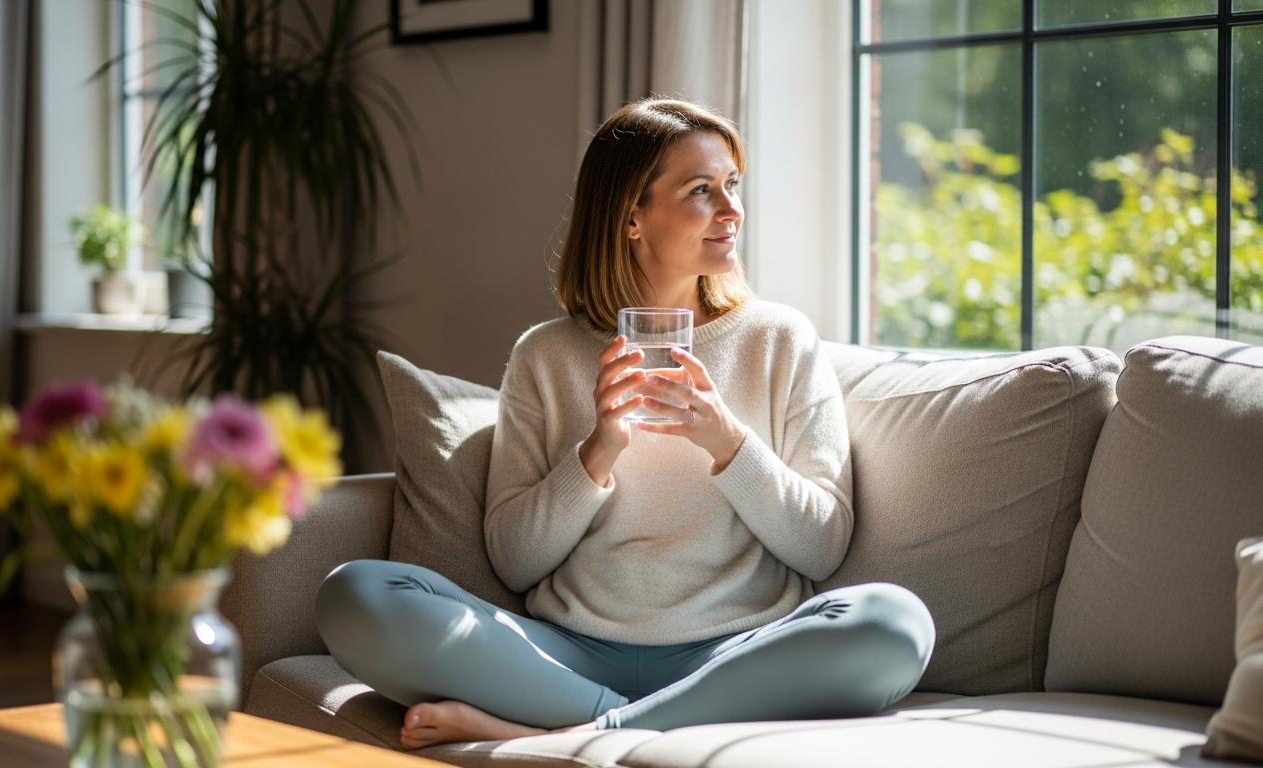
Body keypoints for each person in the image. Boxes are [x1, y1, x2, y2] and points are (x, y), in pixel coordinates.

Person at [316, 98, 935, 750]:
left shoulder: (779, 340)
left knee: (895, 622)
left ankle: (584, 730)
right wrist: (598, 449)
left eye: (732, 185)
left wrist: (726, 440)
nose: (732, 211)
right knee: (356, 593)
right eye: (703, 190)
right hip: (566, 650)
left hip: (737, 652)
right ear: (631, 216)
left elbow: (823, 545)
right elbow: (515, 561)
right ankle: (631, 724)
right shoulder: (546, 354)